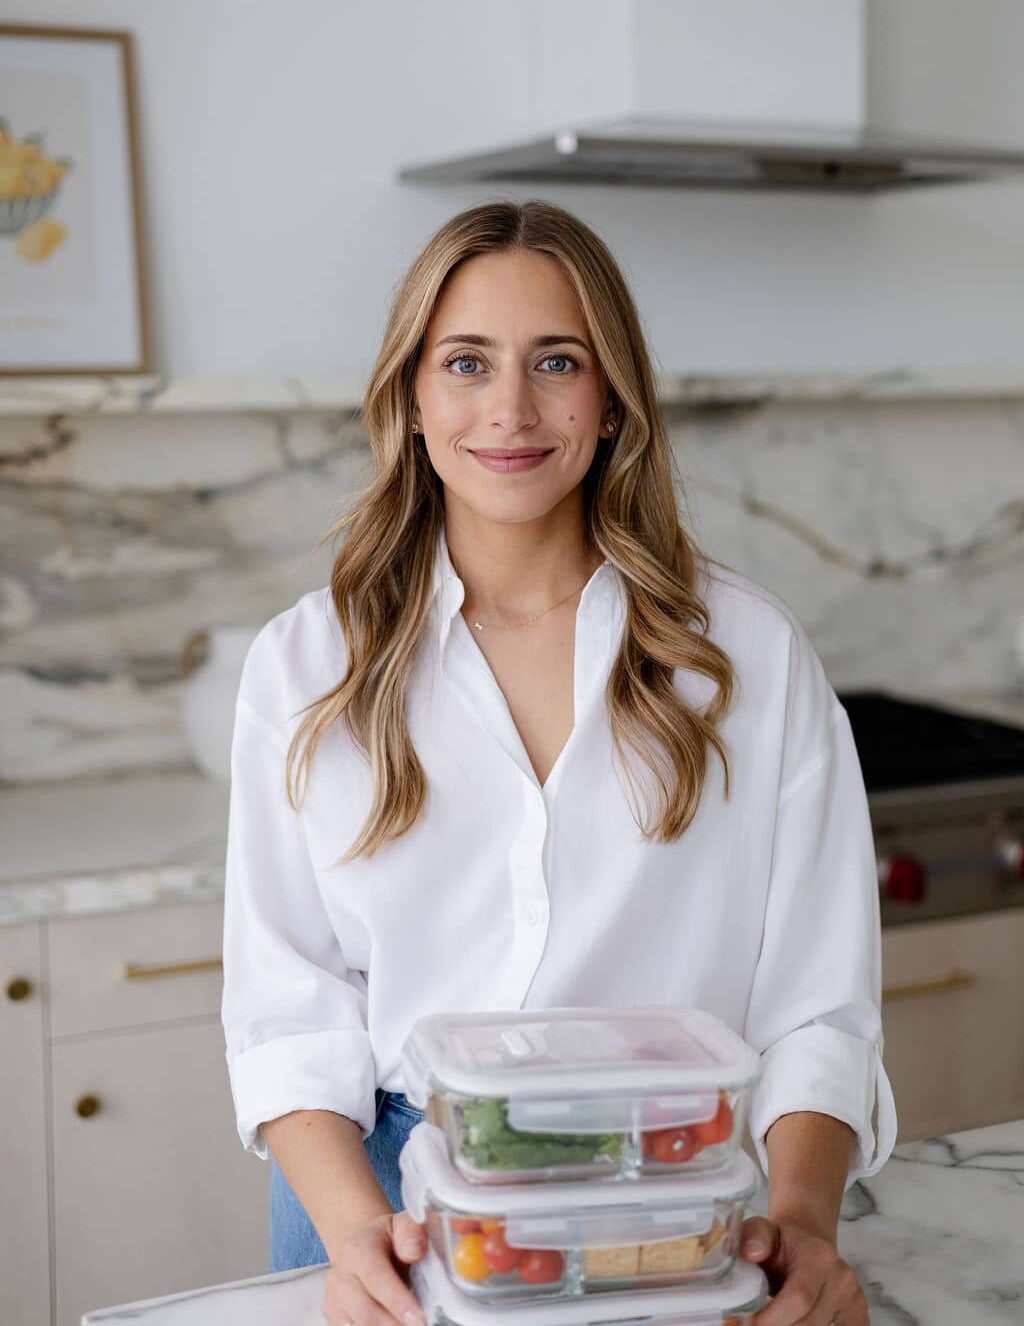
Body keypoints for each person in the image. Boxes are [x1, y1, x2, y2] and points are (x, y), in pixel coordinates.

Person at [221, 200, 894, 1326]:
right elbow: (290, 1013)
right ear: (413, 394)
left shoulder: (747, 657)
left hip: (674, 1202)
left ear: (611, 399)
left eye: (557, 362)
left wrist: (804, 1232)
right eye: (468, 362)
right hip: (382, 1203)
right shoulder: (306, 665)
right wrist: (355, 1244)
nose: (511, 410)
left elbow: (818, 1011)